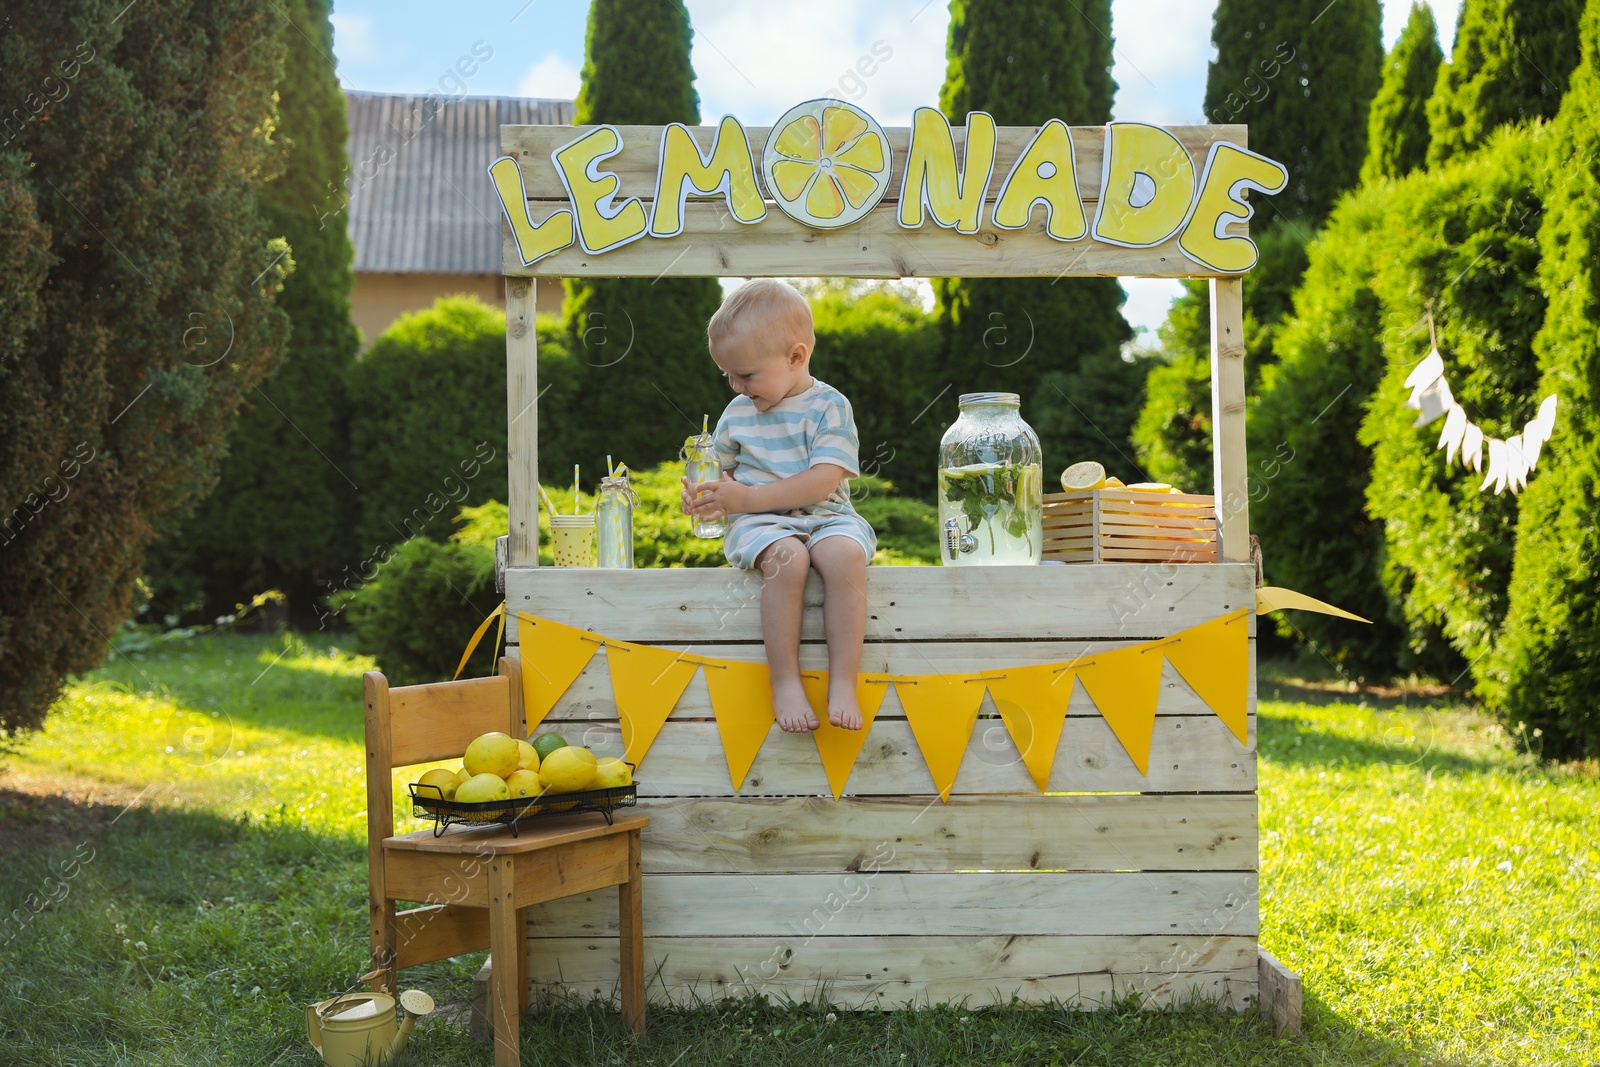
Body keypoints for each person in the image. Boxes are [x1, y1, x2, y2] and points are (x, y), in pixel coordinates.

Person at [682, 280, 876, 733]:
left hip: (827, 515)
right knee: (789, 558)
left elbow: (823, 481)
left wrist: (746, 496)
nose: (735, 385)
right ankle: (785, 680)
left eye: (746, 375)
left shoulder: (830, 406)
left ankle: (844, 679)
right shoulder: (737, 412)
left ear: (795, 356)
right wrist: (708, 498)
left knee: (845, 555)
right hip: (762, 525)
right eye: (727, 375)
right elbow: (722, 477)